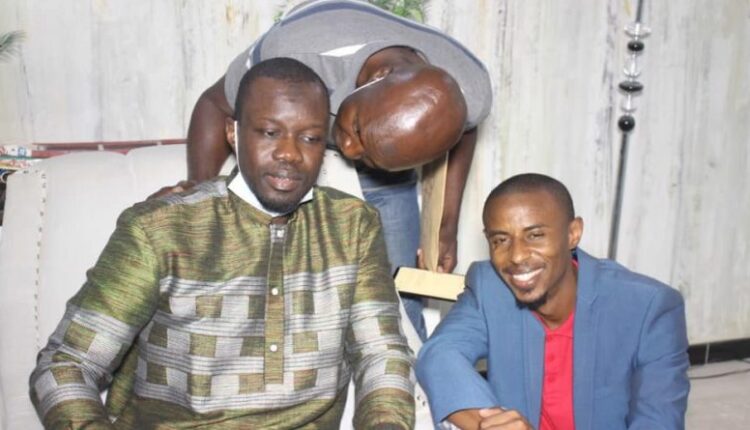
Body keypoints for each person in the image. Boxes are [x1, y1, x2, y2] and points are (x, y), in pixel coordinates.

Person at [29, 58, 414, 429]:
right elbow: (66, 365)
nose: (290, 153)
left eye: (310, 138)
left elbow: (381, 355)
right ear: (233, 133)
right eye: (270, 132)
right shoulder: (159, 229)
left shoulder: (353, 226)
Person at [184, 0, 493, 339]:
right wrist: (201, 201)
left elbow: (464, 128)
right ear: (377, 77)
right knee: (287, 289)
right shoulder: (296, 54)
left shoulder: (470, 88)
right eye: (356, 130)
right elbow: (214, 104)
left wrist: (446, 225)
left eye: (368, 156)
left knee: (398, 300)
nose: (347, 150)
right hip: (295, 144)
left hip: (384, 164)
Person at [416, 173, 690, 429]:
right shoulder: (490, 287)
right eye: (500, 240)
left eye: (535, 235)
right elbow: (440, 355)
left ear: (573, 234)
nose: (517, 256)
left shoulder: (648, 308)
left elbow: (659, 422)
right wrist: (490, 424)